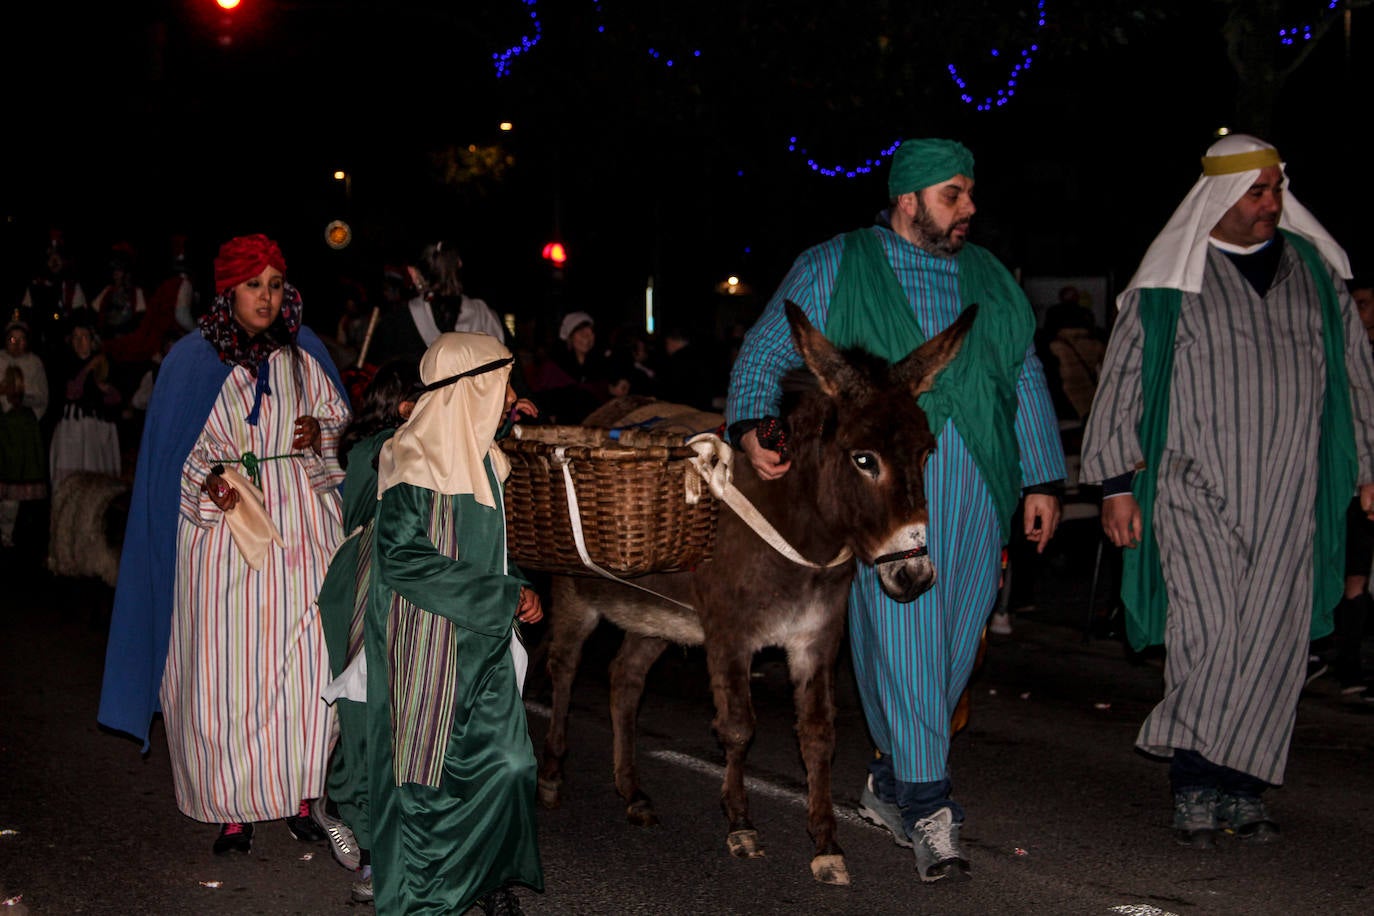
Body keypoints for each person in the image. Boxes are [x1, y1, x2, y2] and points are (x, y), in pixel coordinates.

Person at [725, 137, 1066, 883]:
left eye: (970, 192)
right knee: (909, 636)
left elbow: (1024, 372)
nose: (969, 207)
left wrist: (1043, 477)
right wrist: (752, 424)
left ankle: (892, 774)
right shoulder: (835, 261)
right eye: (953, 194)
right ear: (908, 199)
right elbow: (762, 352)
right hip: (884, 489)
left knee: (957, 639)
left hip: (981, 479)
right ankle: (926, 803)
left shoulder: (989, 279)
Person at [1079, 134, 1374, 848]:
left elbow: (1356, 373)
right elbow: (1121, 384)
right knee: (1209, 633)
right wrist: (1117, 485)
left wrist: (1366, 466)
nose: (1272, 203)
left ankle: (1241, 789)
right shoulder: (1167, 286)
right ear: (1219, 196)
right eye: (1257, 191)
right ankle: (1194, 780)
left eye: (1277, 189)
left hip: (1290, 489)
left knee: (1274, 641)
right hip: (1190, 485)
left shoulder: (1313, 272)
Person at [97, 233, 352, 855]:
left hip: (300, 525)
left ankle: (301, 795)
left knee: (305, 668)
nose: (265, 299)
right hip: (226, 537)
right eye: (252, 286)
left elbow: (338, 423)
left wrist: (320, 431)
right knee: (229, 672)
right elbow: (173, 452)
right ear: (227, 290)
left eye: (273, 285)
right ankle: (232, 809)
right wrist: (207, 479)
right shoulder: (192, 360)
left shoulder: (305, 351)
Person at [365, 332, 544, 914]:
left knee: (509, 766)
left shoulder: (487, 464)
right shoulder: (412, 465)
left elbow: (482, 550)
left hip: (484, 645)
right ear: (471, 390)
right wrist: (501, 594)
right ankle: (424, 899)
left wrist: (518, 586)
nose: (511, 395)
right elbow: (403, 560)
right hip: (431, 647)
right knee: (428, 783)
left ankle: (487, 878)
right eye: (502, 381)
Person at [1322, 275, 1374, 703]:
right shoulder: (1340, 356)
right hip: (1348, 478)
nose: (1361, 312)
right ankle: (1344, 663)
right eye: (1356, 303)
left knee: (1359, 576)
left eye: (1366, 303)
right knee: (1346, 572)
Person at [373, 240, 509, 367]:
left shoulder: (395, 324)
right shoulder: (486, 318)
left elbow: (385, 386)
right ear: (459, 264)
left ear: (413, 273)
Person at [47, 311, 122, 491]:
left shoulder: (106, 364)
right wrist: (88, 368)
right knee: (70, 482)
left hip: (98, 430)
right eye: (76, 337)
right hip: (72, 429)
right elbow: (72, 392)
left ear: (92, 339)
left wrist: (104, 387)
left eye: (84, 337)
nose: (80, 342)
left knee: (97, 482)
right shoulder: (64, 363)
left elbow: (117, 398)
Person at [528, 310, 629, 423]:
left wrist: (613, 390)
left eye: (591, 332)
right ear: (570, 338)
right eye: (581, 331)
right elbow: (539, 401)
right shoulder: (553, 367)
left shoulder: (599, 365)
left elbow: (602, 394)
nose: (587, 337)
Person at [0, 320, 49, 550]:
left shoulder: (34, 363)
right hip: (3, 424)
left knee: (15, 484)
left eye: (21, 340)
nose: (17, 345)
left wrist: (22, 398)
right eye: (12, 340)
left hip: (22, 430)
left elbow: (42, 397)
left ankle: (7, 534)